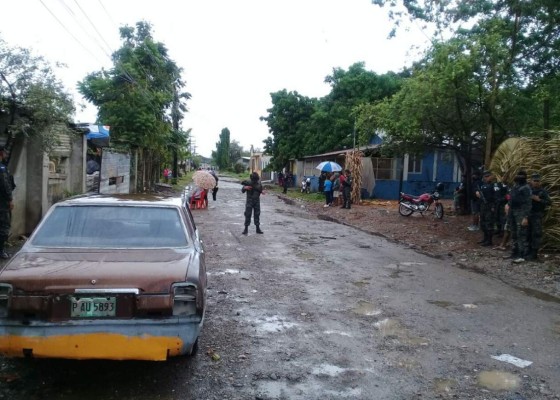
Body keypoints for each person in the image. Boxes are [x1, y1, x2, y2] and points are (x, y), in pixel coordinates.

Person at [507, 170, 532, 263]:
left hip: (521, 212)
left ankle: (522, 254)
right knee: (513, 232)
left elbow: (528, 203)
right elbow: (511, 198)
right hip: (512, 212)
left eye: (521, 176)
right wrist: (508, 207)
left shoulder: (526, 188)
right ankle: (515, 252)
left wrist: (526, 217)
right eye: (518, 175)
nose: (519, 177)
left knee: (521, 233)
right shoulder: (515, 186)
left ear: (525, 177)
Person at [526, 173, 551, 261]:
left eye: (538, 181)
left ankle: (534, 254)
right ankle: (528, 252)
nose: (536, 183)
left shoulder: (542, 191)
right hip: (528, 215)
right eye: (534, 181)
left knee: (536, 234)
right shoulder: (528, 190)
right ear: (531, 181)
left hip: (537, 215)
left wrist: (539, 200)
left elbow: (549, 202)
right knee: (527, 233)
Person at [0, 146, 14, 259]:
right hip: (2, 204)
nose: (6, 154)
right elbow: (5, 185)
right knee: (4, 227)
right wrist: (10, 199)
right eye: (4, 152)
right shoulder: (1, 168)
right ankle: (1, 251)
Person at [475, 171, 496, 246]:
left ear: (491, 176)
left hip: (490, 206)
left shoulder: (494, 185)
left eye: (487, 176)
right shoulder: (483, 185)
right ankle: (485, 238)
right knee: (483, 223)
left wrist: (493, 206)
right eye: (485, 177)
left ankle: (489, 241)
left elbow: (495, 197)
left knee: (489, 223)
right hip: (483, 206)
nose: (486, 178)